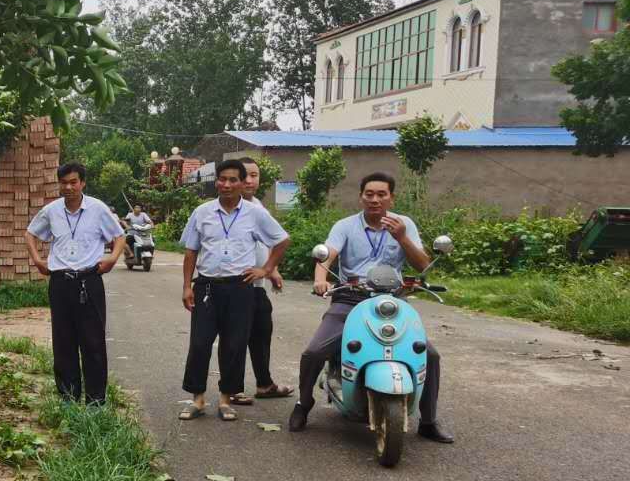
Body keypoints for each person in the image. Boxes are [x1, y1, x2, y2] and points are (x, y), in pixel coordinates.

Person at [287, 172, 454, 443]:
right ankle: (303, 404)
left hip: (392, 301)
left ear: (392, 197)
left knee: (430, 356)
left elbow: (423, 265)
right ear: (361, 197)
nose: (375, 200)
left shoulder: (404, 224)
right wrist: (321, 281)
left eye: (381, 195)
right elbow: (328, 254)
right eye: (370, 194)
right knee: (315, 351)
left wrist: (402, 237)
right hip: (350, 298)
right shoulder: (345, 225)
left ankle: (428, 420)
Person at [179, 159, 289, 422]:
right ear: (216, 181)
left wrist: (266, 269)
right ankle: (197, 399)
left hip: (240, 289)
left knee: (234, 345)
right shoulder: (202, 212)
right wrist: (186, 286)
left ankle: (227, 400)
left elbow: (282, 240)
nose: (226, 184)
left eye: (233, 180)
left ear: (242, 183)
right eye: (222, 179)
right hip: (206, 286)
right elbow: (191, 251)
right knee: (200, 343)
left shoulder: (255, 213)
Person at [26, 162, 126, 405]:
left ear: (82, 183)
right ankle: (68, 398)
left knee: (93, 343)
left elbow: (119, 236)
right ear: (59, 184)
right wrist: (38, 261)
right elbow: (30, 233)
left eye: (73, 182)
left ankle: (95, 401)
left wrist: (112, 258)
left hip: (89, 281)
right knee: (63, 342)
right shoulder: (51, 211)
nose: (68, 187)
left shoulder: (97, 209)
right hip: (60, 283)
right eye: (64, 183)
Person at [231, 158, 294, 405]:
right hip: (234, 286)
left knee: (261, 334)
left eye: (254, 175)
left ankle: (264, 384)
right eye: (244, 175)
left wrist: (271, 269)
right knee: (235, 339)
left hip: (257, 286)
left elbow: (269, 241)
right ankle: (233, 389)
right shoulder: (228, 209)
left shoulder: (258, 208)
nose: (249, 180)